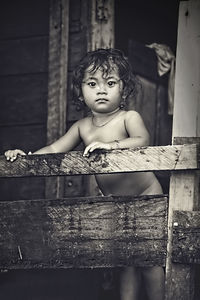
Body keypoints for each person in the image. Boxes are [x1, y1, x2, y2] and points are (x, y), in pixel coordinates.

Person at [5, 48, 164, 300]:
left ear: (124, 90)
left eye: (110, 83)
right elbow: (55, 149)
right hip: (115, 203)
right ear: (80, 91)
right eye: (92, 83)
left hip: (147, 196)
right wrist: (26, 156)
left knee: (151, 258)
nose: (101, 89)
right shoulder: (82, 126)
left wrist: (111, 146)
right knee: (126, 259)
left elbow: (142, 140)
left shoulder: (127, 118)